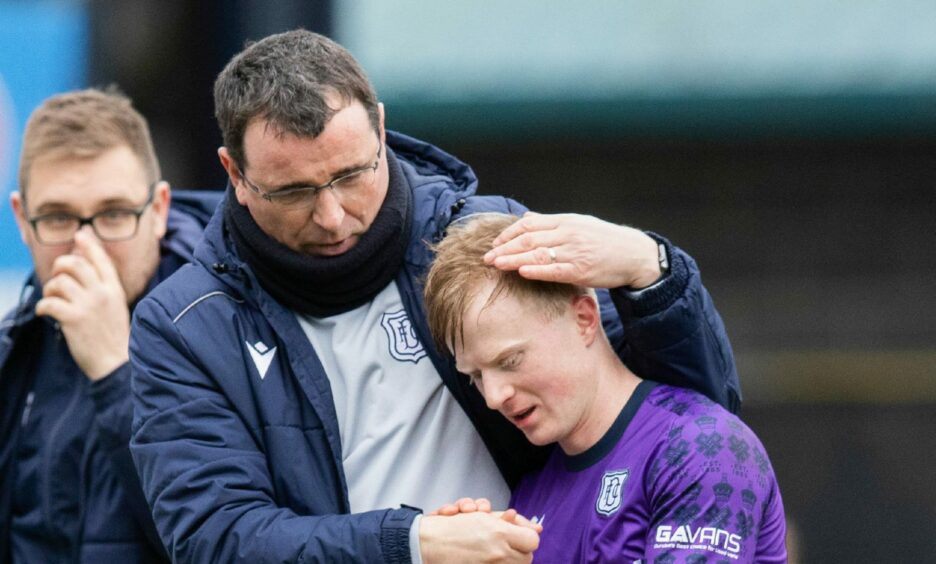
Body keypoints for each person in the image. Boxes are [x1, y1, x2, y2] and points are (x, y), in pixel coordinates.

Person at [128, 30, 741, 563]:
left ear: (382, 130)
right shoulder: (182, 324)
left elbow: (685, 422)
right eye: (293, 192)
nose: (334, 216)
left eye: (350, 174)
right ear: (234, 174)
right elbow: (216, 539)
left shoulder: (482, 237)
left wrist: (653, 271)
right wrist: (414, 545)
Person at [423, 212, 787, 563]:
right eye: (476, 376)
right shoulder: (528, 496)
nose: (493, 396)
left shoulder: (704, 445)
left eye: (510, 361)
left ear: (584, 318)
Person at [0, 88, 220, 563]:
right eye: (58, 218)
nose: (86, 247)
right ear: (22, 219)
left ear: (158, 210)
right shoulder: (16, 345)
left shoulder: (226, 330)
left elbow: (216, 541)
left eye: (114, 214)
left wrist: (115, 370)